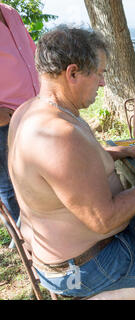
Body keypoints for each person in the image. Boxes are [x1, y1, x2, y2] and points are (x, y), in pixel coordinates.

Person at [7, 26, 135, 300]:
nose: (103, 83)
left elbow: (70, 170)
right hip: (84, 265)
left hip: (67, 256)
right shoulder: (59, 136)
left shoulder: (29, 110)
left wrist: (120, 152)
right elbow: (105, 221)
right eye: (100, 73)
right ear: (72, 73)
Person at [0, 3, 40, 223]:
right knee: (9, 183)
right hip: (4, 121)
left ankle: (40, 230)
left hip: (32, 112)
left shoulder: (10, 12)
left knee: (36, 176)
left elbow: (31, 52)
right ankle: (26, 242)